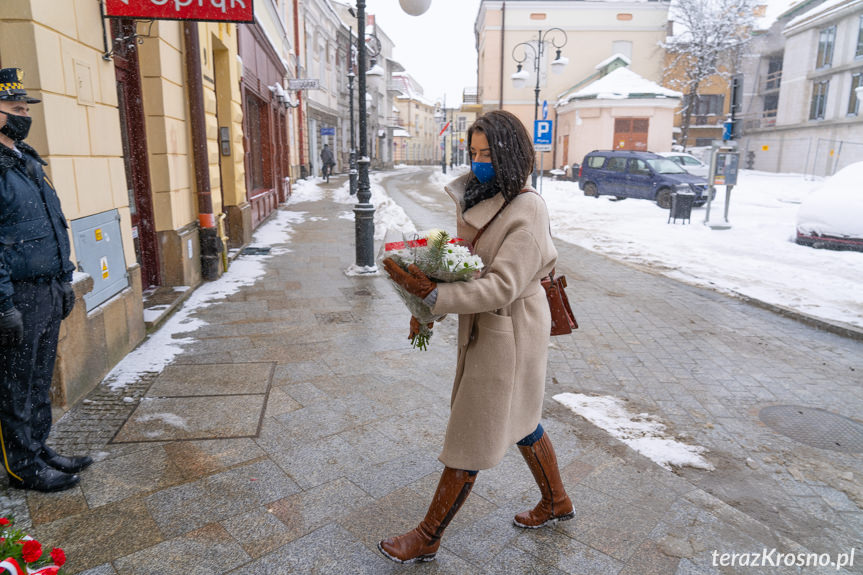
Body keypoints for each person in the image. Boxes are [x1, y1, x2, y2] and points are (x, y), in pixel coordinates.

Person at [380, 110, 574, 563]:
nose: (479, 161)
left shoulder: (527, 208)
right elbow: (462, 265)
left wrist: (432, 297)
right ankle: (556, 501)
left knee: (472, 429)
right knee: (522, 420)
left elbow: (501, 285)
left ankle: (428, 535)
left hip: (511, 330)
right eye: (474, 152)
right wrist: (425, 307)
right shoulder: (481, 198)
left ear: (512, 153)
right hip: (491, 324)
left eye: (489, 153)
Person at [0, 68, 92, 493]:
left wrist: (64, 281)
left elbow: (54, 225)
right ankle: (22, 465)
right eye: (15, 109)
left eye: (25, 108)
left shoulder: (25, 159)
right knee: (15, 386)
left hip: (47, 289)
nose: (23, 115)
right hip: (17, 294)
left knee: (39, 377)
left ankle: (39, 448)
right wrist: (4, 306)